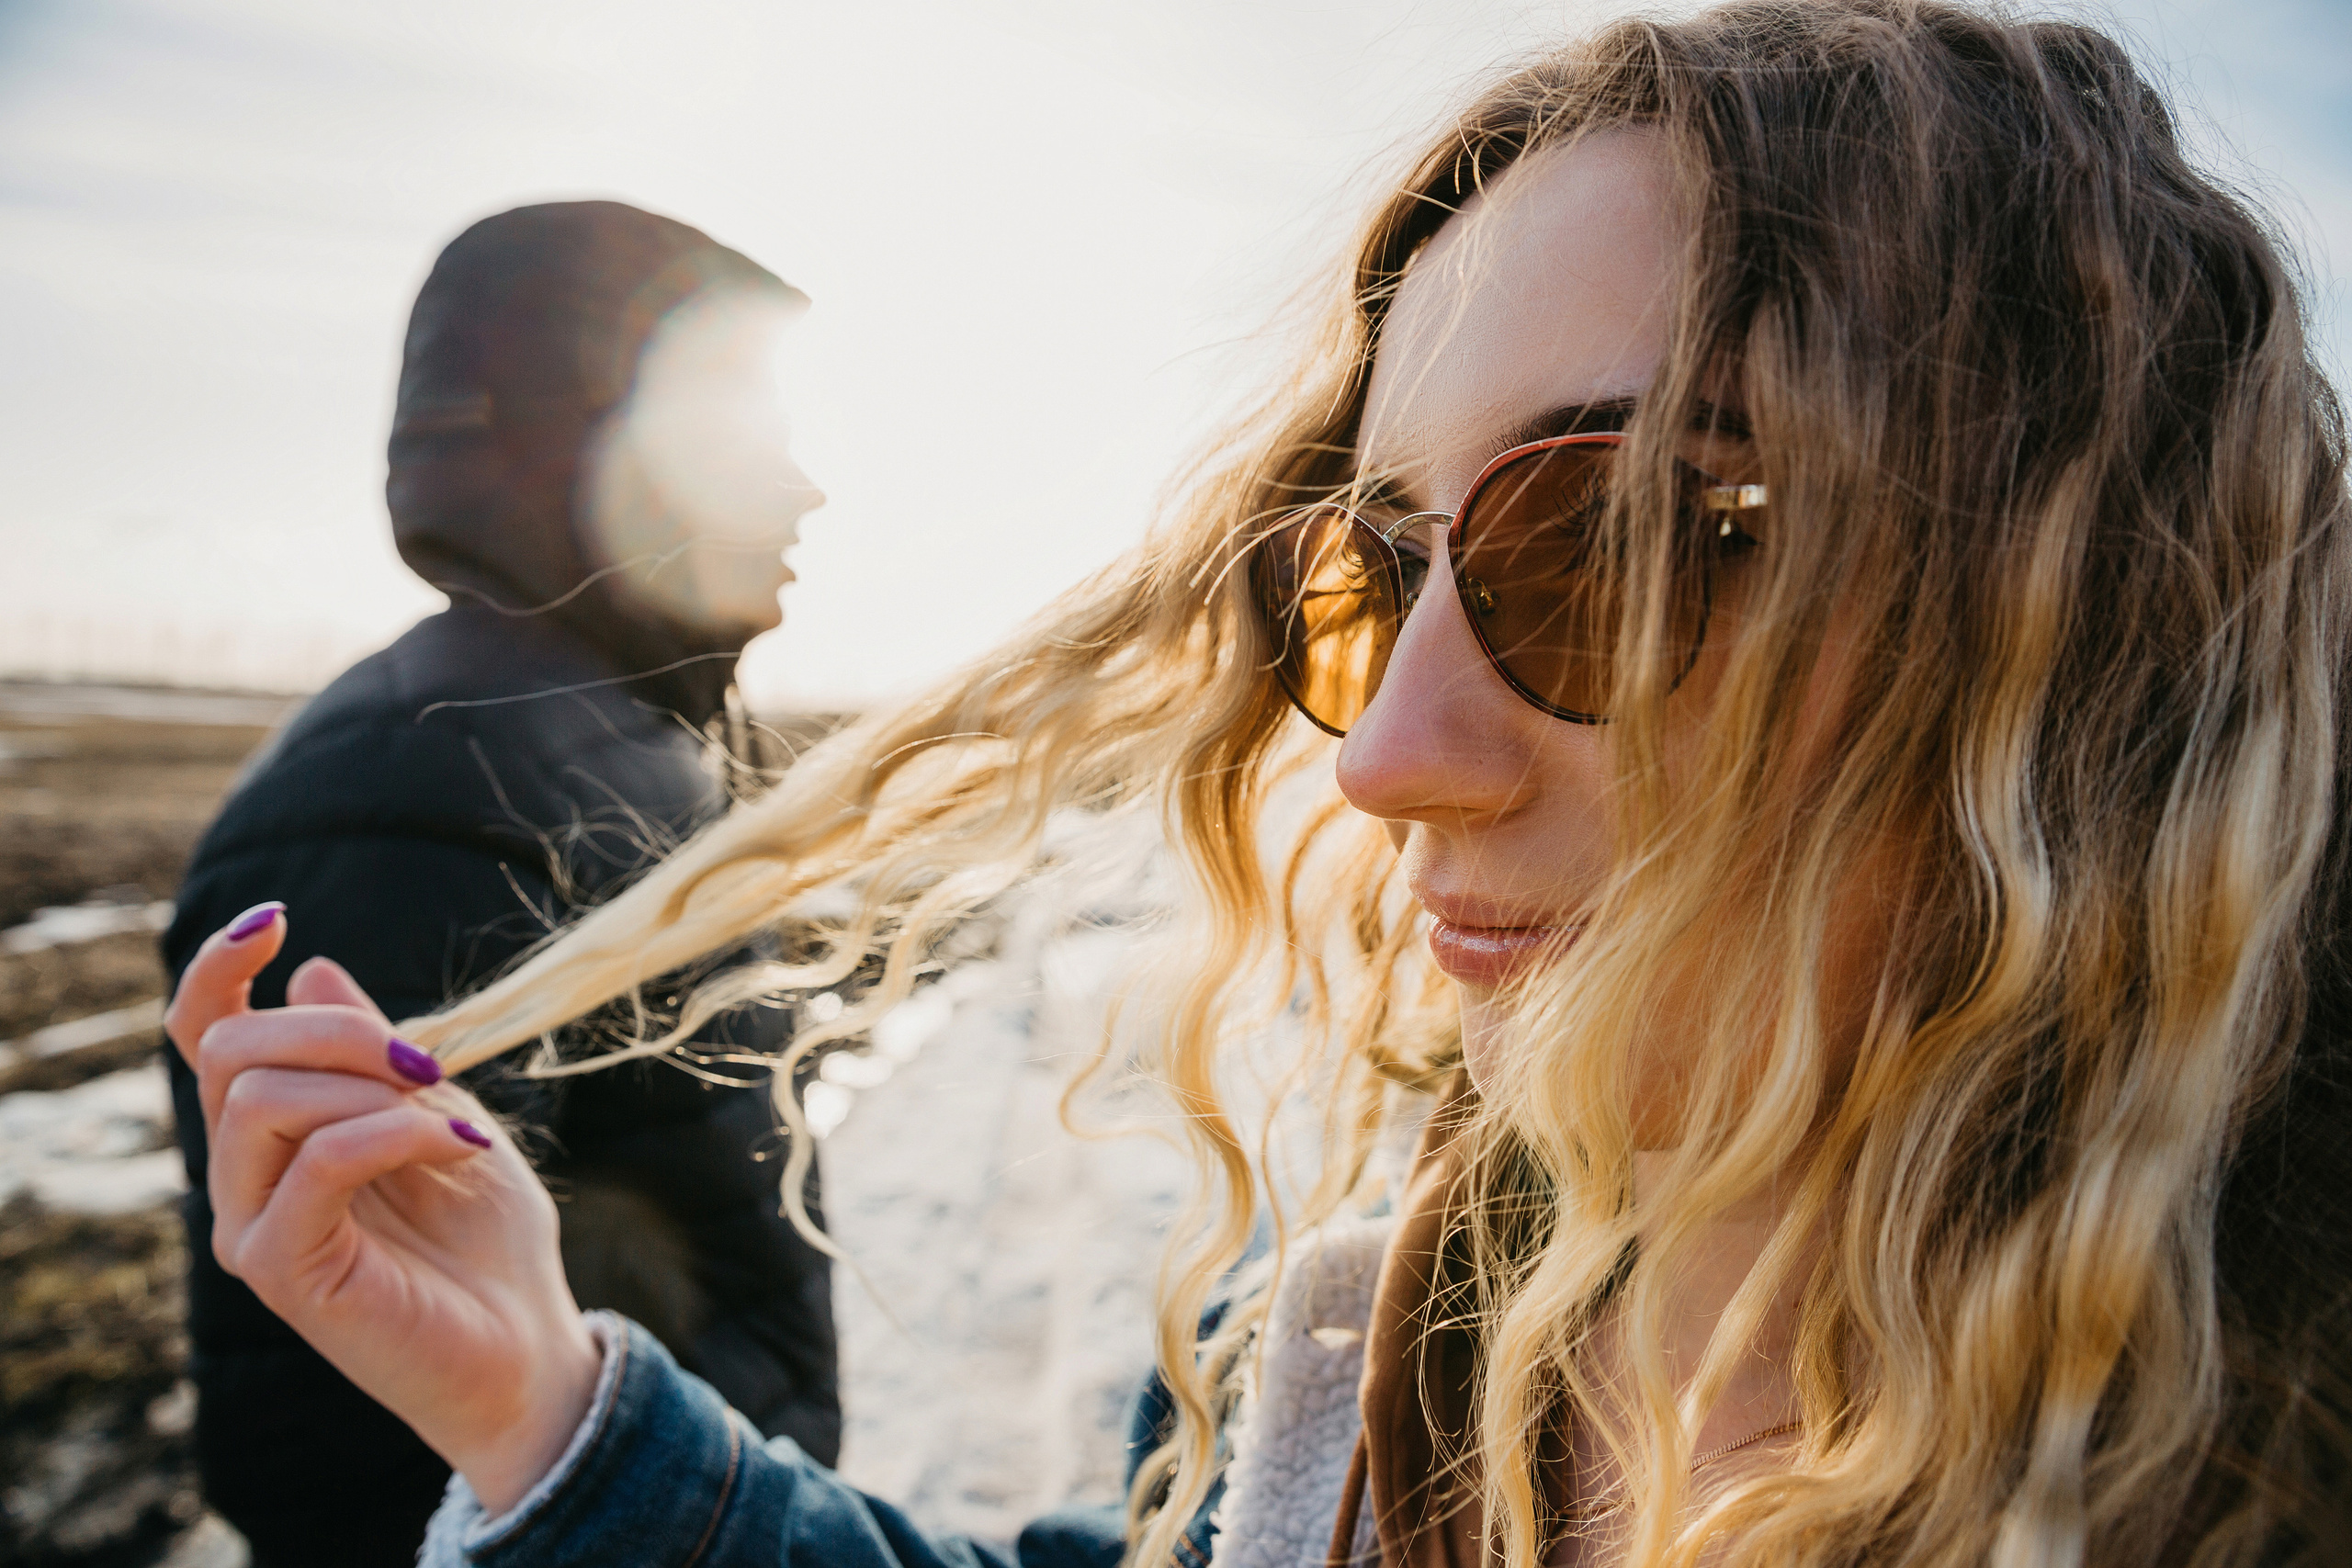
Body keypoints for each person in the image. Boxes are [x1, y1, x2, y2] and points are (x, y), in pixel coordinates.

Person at [164, 4, 2352, 1565]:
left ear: (2086, 645)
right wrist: (540, 1410)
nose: (1388, 756)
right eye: (1363, 570)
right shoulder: (1390, 1341)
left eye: (1613, 549)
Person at [159, 200, 840, 1567]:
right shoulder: (419, 788)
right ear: (604, 458)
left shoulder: (616, 744)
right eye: (747, 435)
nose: (806, 487)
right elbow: (344, 1423)